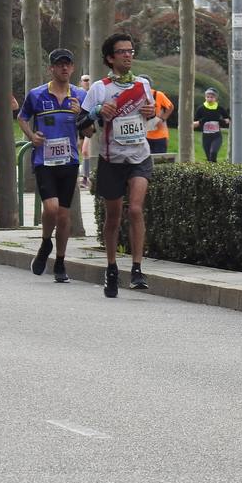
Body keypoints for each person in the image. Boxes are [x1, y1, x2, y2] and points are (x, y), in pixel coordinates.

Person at [77, 32, 156, 297]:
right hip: (111, 160)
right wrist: (98, 112)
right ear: (110, 58)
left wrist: (151, 112)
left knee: (134, 209)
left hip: (139, 157)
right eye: (122, 52)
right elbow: (82, 121)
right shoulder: (100, 88)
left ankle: (136, 269)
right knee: (113, 217)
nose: (127, 56)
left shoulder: (143, 84)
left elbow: (151, 113)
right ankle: (111, 267)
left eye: (131, 51)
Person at [18, 48, 88, 284]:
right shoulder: (37, 95)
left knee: (64, 214)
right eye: (59, 65)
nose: (64, 68)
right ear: (52, 68)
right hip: (44, 160)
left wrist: (81, 116)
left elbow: (90, 130)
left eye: (68, 64)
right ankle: (46, 240)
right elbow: (22, 117)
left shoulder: (80, 95)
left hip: (69, 161)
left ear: (73, 68)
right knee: (51, 209)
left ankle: (60, 261)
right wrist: (31, 136)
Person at [193, 87, 230, 162]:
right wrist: (201, 121)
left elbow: (228, 120)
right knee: (209, 158)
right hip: (205, 136)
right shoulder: (201, 109)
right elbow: (194, 123)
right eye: (208, 97)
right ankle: (213, 171)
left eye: (212, 97)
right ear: (205, 97)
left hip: (216, 136)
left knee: (213, 153)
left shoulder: (219, 108)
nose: (209, 99)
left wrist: (221, 121)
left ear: (215, 98)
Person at [146, 88, 175, 155]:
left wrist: (162, 119)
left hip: (160, 136)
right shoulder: (138, 96)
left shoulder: (158, 94)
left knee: (159, 161)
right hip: (145, 135)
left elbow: (170, 107)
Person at [79, 73, 93, 188]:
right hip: (79, 125)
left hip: (90, 126)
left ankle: (85, 178)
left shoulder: (93, 93)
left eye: (88, 79)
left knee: (85, 151)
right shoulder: (78, 93)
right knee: (82, 152)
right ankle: (85, 176)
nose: (87, 82)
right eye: (85, 80)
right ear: (81, 82)